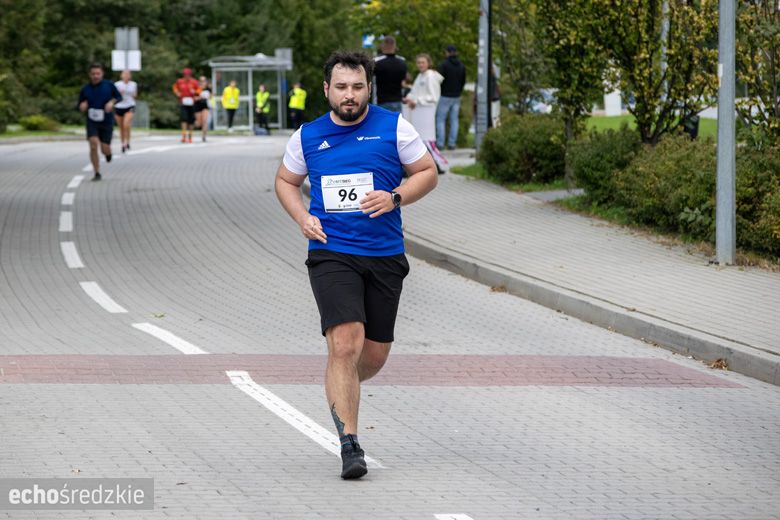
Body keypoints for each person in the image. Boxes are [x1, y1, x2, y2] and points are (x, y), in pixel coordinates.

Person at [275, 50, 437, 480]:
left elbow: (427, 171)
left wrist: (396, 196)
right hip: (331, 251)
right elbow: (286, 181)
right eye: (341, 87)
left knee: (374, 354)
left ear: (369, 88)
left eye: (358, 86)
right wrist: (302, 217)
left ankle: (338, 381)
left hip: (384, 254)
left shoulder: (392, 127)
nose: (350, 95)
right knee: (345, 343)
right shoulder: (307, 135)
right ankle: (350, 445)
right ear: (327, 89)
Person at [77, 62, 122, 182]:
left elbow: (118, 97)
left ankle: (108, 154)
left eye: (98, 73)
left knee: (104, 148)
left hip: (106, 120)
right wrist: (82, 106)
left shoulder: (109, 85)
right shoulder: (85, 89)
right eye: (93, 74)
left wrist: (112, 102)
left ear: (102, 74)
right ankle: (96, 172)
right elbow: (80, 104)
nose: (95, 76)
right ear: (89, 75)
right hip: (92, 120)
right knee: (93, 144)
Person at [403, 54, 446, 172]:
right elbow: (414, 92)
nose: (420, 65)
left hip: (426, 113)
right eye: (418, 62)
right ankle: (429, 165)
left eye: (423, 62)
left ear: (428, 63)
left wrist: (416, 101)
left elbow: (433, 97)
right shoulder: (420, 76)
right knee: (421, 139)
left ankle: (438, 164)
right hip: (418, 113)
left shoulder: (431, 76)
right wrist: (409, 98)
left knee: (428, 139)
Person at [436, 45, 466, 151]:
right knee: (454, 120)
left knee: (440, 120)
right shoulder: (462, 66)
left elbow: (438, 81)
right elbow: (463, 81)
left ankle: (440, 143)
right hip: (456, 96)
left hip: (445, 95)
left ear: (447, 52)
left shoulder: (444, 65)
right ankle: (452, 144)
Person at [373, 36, 407, 113]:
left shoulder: (377, 62)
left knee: (382, 124)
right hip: (398, 101)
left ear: (382, 46)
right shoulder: (402, 62)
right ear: (395, 46)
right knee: (396, 124)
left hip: (382, 101)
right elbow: (403, 82)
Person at [172, 68, 201, 143]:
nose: (186, 76)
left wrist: (195, 93)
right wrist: (177, 93)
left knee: (191, 121)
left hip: (191, 102)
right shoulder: (180, 81)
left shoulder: (194, 82)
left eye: (188, 75)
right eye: (185, 75)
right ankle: (184, 136)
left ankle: (190, 136)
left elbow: (199, 89)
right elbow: (174, 87)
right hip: (183, 102)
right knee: (184, 119)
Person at [114, 69, 137, 153]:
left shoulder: (133, 84)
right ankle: (123, 144)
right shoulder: (117, 84)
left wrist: (131, 94)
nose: (126, 76)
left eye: (128, 74)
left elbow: (135, 95)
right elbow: (114, 95)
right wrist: (119, 93)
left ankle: (128, 142)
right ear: (121, 75)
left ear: (130, 76)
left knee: (126, 124)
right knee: (121, 127)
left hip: (130, 105)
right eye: (124, 74)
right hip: (119, 106)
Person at [193, 75, 211, 142]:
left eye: (204, 81)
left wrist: (209, 97)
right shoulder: (197, 89)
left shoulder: (208, 89)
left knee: (205, 121)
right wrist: (201, 97)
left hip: (205, 106)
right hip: (197, 106)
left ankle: (204, 136)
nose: (202, 82)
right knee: (199, 124)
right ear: (199, 81)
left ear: (206, 81)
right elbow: (194, 98)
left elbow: (210, 96)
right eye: (201, 81)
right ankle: (193, 123)